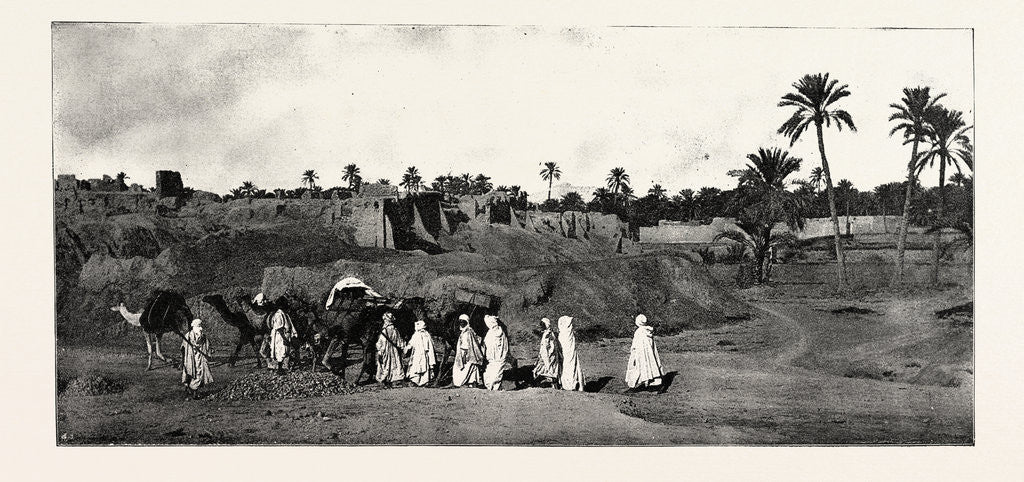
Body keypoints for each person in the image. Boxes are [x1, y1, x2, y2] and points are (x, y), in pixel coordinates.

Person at [624, 314, 665, 391]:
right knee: (652, 367)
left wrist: (633, 352)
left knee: (637, 368)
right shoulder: (648, 331)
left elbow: (635, 344)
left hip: (640, 354)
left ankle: (633, 386)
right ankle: (656, 384)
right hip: (650, 355)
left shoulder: (639, 332)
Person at [181, 319, 213, 400]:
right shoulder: (188, 335)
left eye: (200, 326)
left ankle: (194, 393)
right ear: (194, 326)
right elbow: (183, 347)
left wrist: (209, 352)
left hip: (200, 359)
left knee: (199, 374)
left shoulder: (203, 336)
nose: (200, 328)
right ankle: (191, 392)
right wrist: (189, 348)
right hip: (190, 359)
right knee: (191, 374)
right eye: (198, 326)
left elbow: (207, 345)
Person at [452, 314, 484, 388]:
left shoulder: (467, 332)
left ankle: (463, 383)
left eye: (463, 321)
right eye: (460, 322)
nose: (461, 323)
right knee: (471, 368)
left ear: (467, 322)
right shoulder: (466, 331)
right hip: (469, 354)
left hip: (467, 354)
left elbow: (466, 345)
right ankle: (471, 383)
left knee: (465, 368)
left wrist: (464, 355)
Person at [375, 312, 407, 386]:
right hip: (394, 350)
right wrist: (403, 347)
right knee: (395, 363)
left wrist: (379, 350)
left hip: (386, 350)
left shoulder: (384, 331)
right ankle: (395, 378)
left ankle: (385, 378)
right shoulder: (395, 330)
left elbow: (381, 342)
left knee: (386, 363)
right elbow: (399, 341)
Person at [266, 300, 296, 375]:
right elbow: (279, 328)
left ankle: (281, 367)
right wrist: (284, 338)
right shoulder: (279, 314)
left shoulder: (283, 313)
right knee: (280, 351)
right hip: (280, 335)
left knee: (284, 351)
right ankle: (279, 369)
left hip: (283, 334)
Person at [483, 315, 511, 390]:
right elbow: (486, 343)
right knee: (490, 372)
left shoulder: (500, 333)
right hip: (491, 358)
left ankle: (496, 387)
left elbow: (505, 346)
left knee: (497, 373)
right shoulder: (490, 333)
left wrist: (502, 355)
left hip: (499, 358)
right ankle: (490, 386)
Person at [557, 316, 585, 391]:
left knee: (568, 369)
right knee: (569, 369)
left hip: (568, 356)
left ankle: (569, 385)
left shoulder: (563, 335)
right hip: (567, 357)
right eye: (570, 324)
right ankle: (571, 385)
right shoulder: (566, 335)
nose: (572, 326)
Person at [405, 320, 436, 386]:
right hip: (417, 354)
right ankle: (416, 381)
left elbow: (430, 345)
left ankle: (423, 381)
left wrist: (408, 347)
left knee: (423, 367)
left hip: (424, 354)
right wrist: (407, 347)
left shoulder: (425, 335)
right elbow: (411, 343)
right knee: (417, 366)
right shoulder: (418, 334)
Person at [532, 317, 561, 388]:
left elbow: (548, 346)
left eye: (542, 325)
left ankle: (551, 383)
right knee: (546, 369)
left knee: (547, 369)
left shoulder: (548, 334)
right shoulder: (548, 333)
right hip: (547, 355)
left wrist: (545, 355)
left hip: (548, 355)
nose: (541, 327)